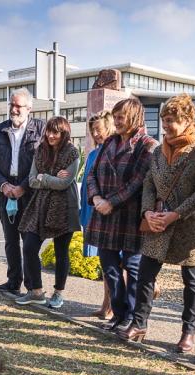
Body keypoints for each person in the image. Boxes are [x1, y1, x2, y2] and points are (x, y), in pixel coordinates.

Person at [118, 94, 195, 353]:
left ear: (187, 120)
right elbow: (149, 182)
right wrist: (148, 212)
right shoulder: (160, 150)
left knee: (192, 280)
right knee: (146, 274)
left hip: (188, 225)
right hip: (158, 221)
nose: (166, 127)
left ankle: (188, 332)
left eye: (171, 121)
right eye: (164, 121)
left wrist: (177, 214)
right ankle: (139, 324)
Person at [84, 99, 159, 333]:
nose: (116, 121)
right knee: (109, 267)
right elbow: (92, 174)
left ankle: (133, 317)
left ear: (135, 117)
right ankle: (118, 313)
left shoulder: (147, 145)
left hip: (130, 217)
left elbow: (138, 181)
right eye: (115, 116)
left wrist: (111, 202)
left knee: (133, 267)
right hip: (103, 215)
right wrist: (96, 199)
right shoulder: (109, 143)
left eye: (121, 117)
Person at [0, 87, 45, 295]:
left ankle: (32, 287)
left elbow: (43, 163)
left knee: (29, 242)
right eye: (12, 105)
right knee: (11, 241)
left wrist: (23, 187)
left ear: (29, 108)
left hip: (31, 195)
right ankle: (13, 281)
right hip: (5, 194)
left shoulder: (41, 130)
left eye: (18, 106)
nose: (14, 109)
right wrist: (3, 185)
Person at [15, 116, 81, 308]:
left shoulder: (72, 153)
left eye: (56, 132)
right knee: (29, 246)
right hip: (41, 204)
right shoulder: (40, 151)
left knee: (62, 251)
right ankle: (36, 291)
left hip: (64, 207)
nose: (51, 135)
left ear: (64, 133)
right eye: (49, 131)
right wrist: (49, 177)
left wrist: (44, 177)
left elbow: (65, 183)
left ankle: (58, 293)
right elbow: (32, 180)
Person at [80, 110, 116, 319]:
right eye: (92, 130)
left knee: (114, 263)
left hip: (105, 212)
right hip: (91, 211)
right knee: (105, 262)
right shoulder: (94, 153)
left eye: (98, 129)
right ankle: (105, 304)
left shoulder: (111, 151)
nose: (95, 134)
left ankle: (112, 305)